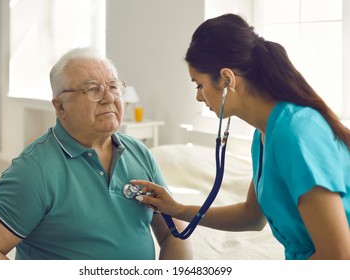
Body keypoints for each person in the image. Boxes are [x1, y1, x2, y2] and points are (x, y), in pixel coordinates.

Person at [132, 14, 350, 260]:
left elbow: (338, 256)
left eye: (199, 85)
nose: (198, 97)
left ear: (227, 79)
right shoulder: (265, 134)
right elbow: (251, 216)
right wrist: (177, 209)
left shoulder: (297, 133)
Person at [0, 47, 192, 260]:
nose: (109, 98)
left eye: (113, 87)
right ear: (60, 106)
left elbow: (175, 234)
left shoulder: (139, 153)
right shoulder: (33, 170)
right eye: (92, 89)